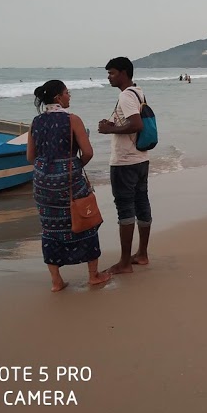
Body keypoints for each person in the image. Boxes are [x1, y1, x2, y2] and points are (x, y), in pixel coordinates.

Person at [28, 80, 111, 291]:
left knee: (50, 227)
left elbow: (30, 157)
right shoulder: (72, 120)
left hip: (42, 182)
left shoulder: (35, 122)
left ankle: (56, 281)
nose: (69, 96)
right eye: (67, 93)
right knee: (86, 219)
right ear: (58, 97)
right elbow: (88, 152)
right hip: (69, 181)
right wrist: (72, 167)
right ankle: (94, 276)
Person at [98, 57, 152, 274]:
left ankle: (124, 263)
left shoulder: (125, 95)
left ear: (122, 73)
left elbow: (136, 124)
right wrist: (113, 124)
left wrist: (109, 130)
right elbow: (133, 121)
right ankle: (142, 254)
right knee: (142, 205)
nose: (109, 77)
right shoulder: (138, 92)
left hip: (125, 161)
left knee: (125, 209)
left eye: (111, 73)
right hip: (141, 158)